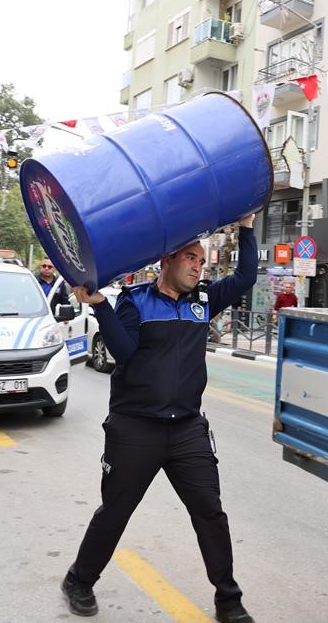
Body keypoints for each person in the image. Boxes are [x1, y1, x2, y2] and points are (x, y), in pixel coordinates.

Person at [62, 213, 258, 623]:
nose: (196, 267)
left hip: (186, 428)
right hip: (135, 427)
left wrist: (247, 227)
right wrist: (101, 306)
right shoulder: (136, 301)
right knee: (116, 510)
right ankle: (79, 579)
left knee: (210, 512)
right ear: (166, 261)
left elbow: (244, 278)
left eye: (201, 262)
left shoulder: (203, 301)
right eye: (190, 258)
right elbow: (125, 353)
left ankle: (228, 600)